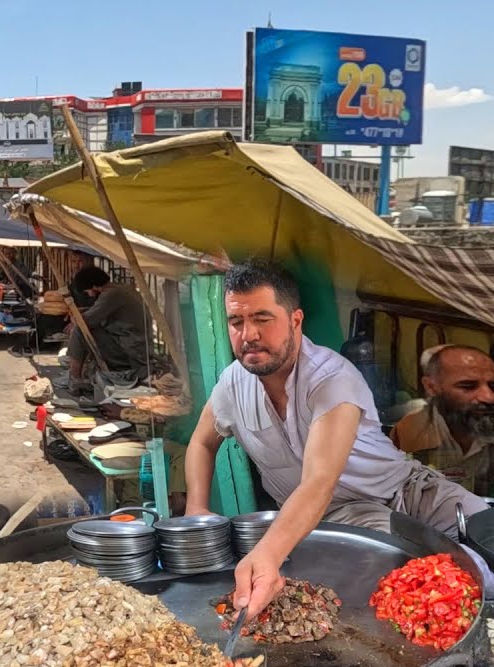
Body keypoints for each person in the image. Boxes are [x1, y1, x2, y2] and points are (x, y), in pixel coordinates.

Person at [183, 260, 492, 622]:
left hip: (409, 488)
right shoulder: (232, 384)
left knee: (486, 532)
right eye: (237, 322)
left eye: (262, 319)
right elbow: (203, 443)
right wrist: (196, 510)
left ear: (295, 320)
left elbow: (319, 481)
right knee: (417, 588)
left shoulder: (331, 377)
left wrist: (265, 554)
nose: (248, 334)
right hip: (337, 518)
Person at [391, 345, 494, 495]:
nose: (489, 397)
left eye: (493, 386)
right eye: (468, 386)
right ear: (431, 387)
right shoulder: (412, 431)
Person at [62, 266, 150, 388]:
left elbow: (85, 322)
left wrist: (75, 318)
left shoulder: (112, 294)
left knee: (79, 330)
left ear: (92, 286)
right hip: (136, 347)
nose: (88, 294)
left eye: (87, 291)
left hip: (130, 353)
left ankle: (74, 377)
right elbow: (102, 311)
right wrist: (84, 311)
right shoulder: (123, 289)